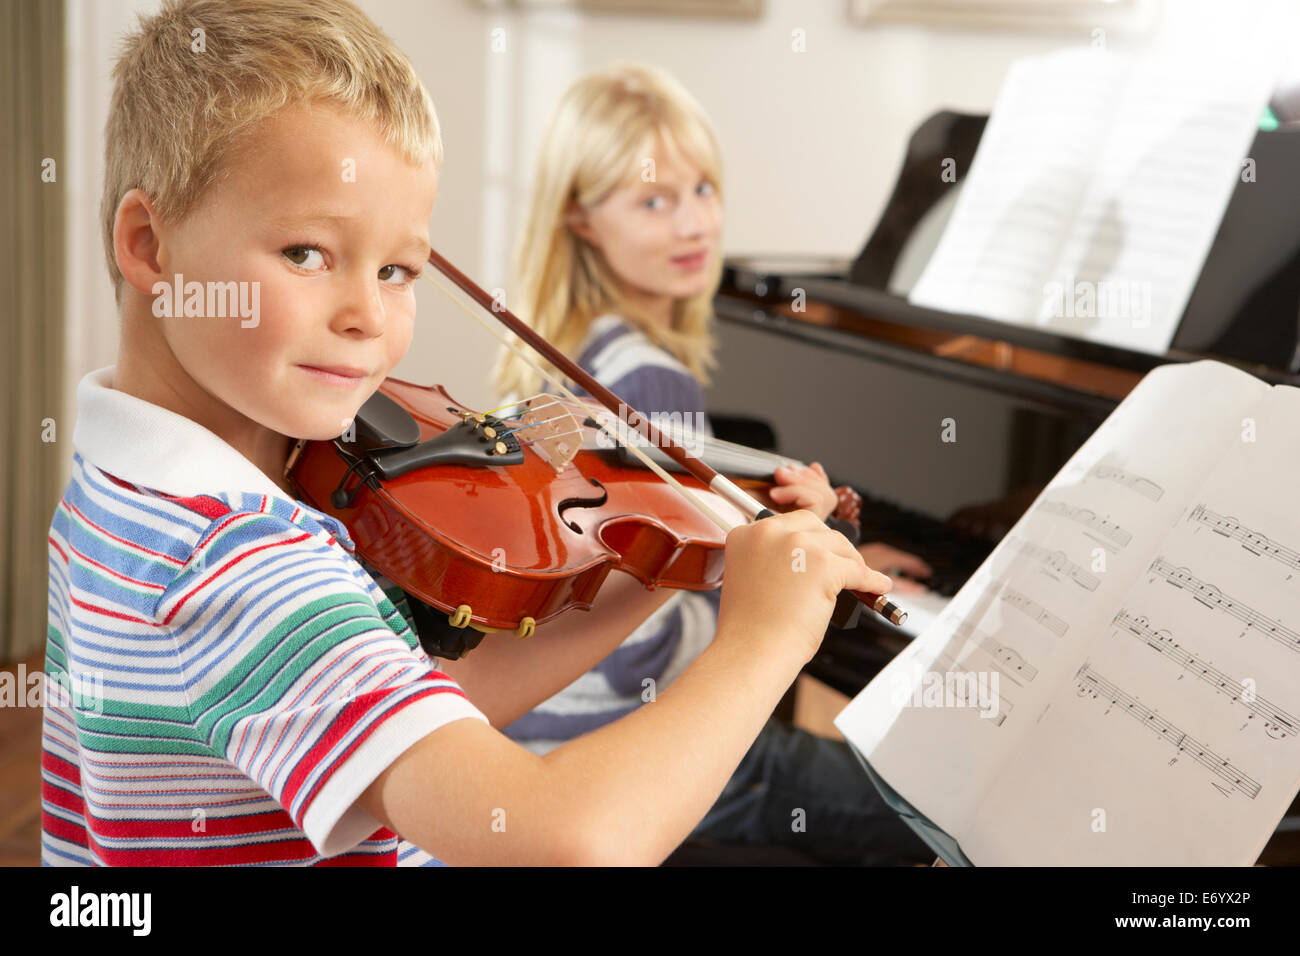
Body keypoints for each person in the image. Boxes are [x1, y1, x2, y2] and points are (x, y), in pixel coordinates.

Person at [42, 0, 893, 867]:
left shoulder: (128, 491)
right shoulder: (242, 565)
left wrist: (690, 544)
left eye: (396, 269)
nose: (369, 315)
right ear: (150, 246)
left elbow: (442, 698)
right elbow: (573, 844)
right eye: (306, 253)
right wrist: (761, 641)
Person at [491, 64, 933, 864]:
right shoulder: (652, 383)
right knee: (919, 809)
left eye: (703, 190)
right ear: (581, 218)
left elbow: (653, 554)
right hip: (630, 747)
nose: (693, 224)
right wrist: (791, 578)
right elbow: (652, 624)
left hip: (537, 731)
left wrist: (800, 546)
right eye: (654, 201)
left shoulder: (568, 352)